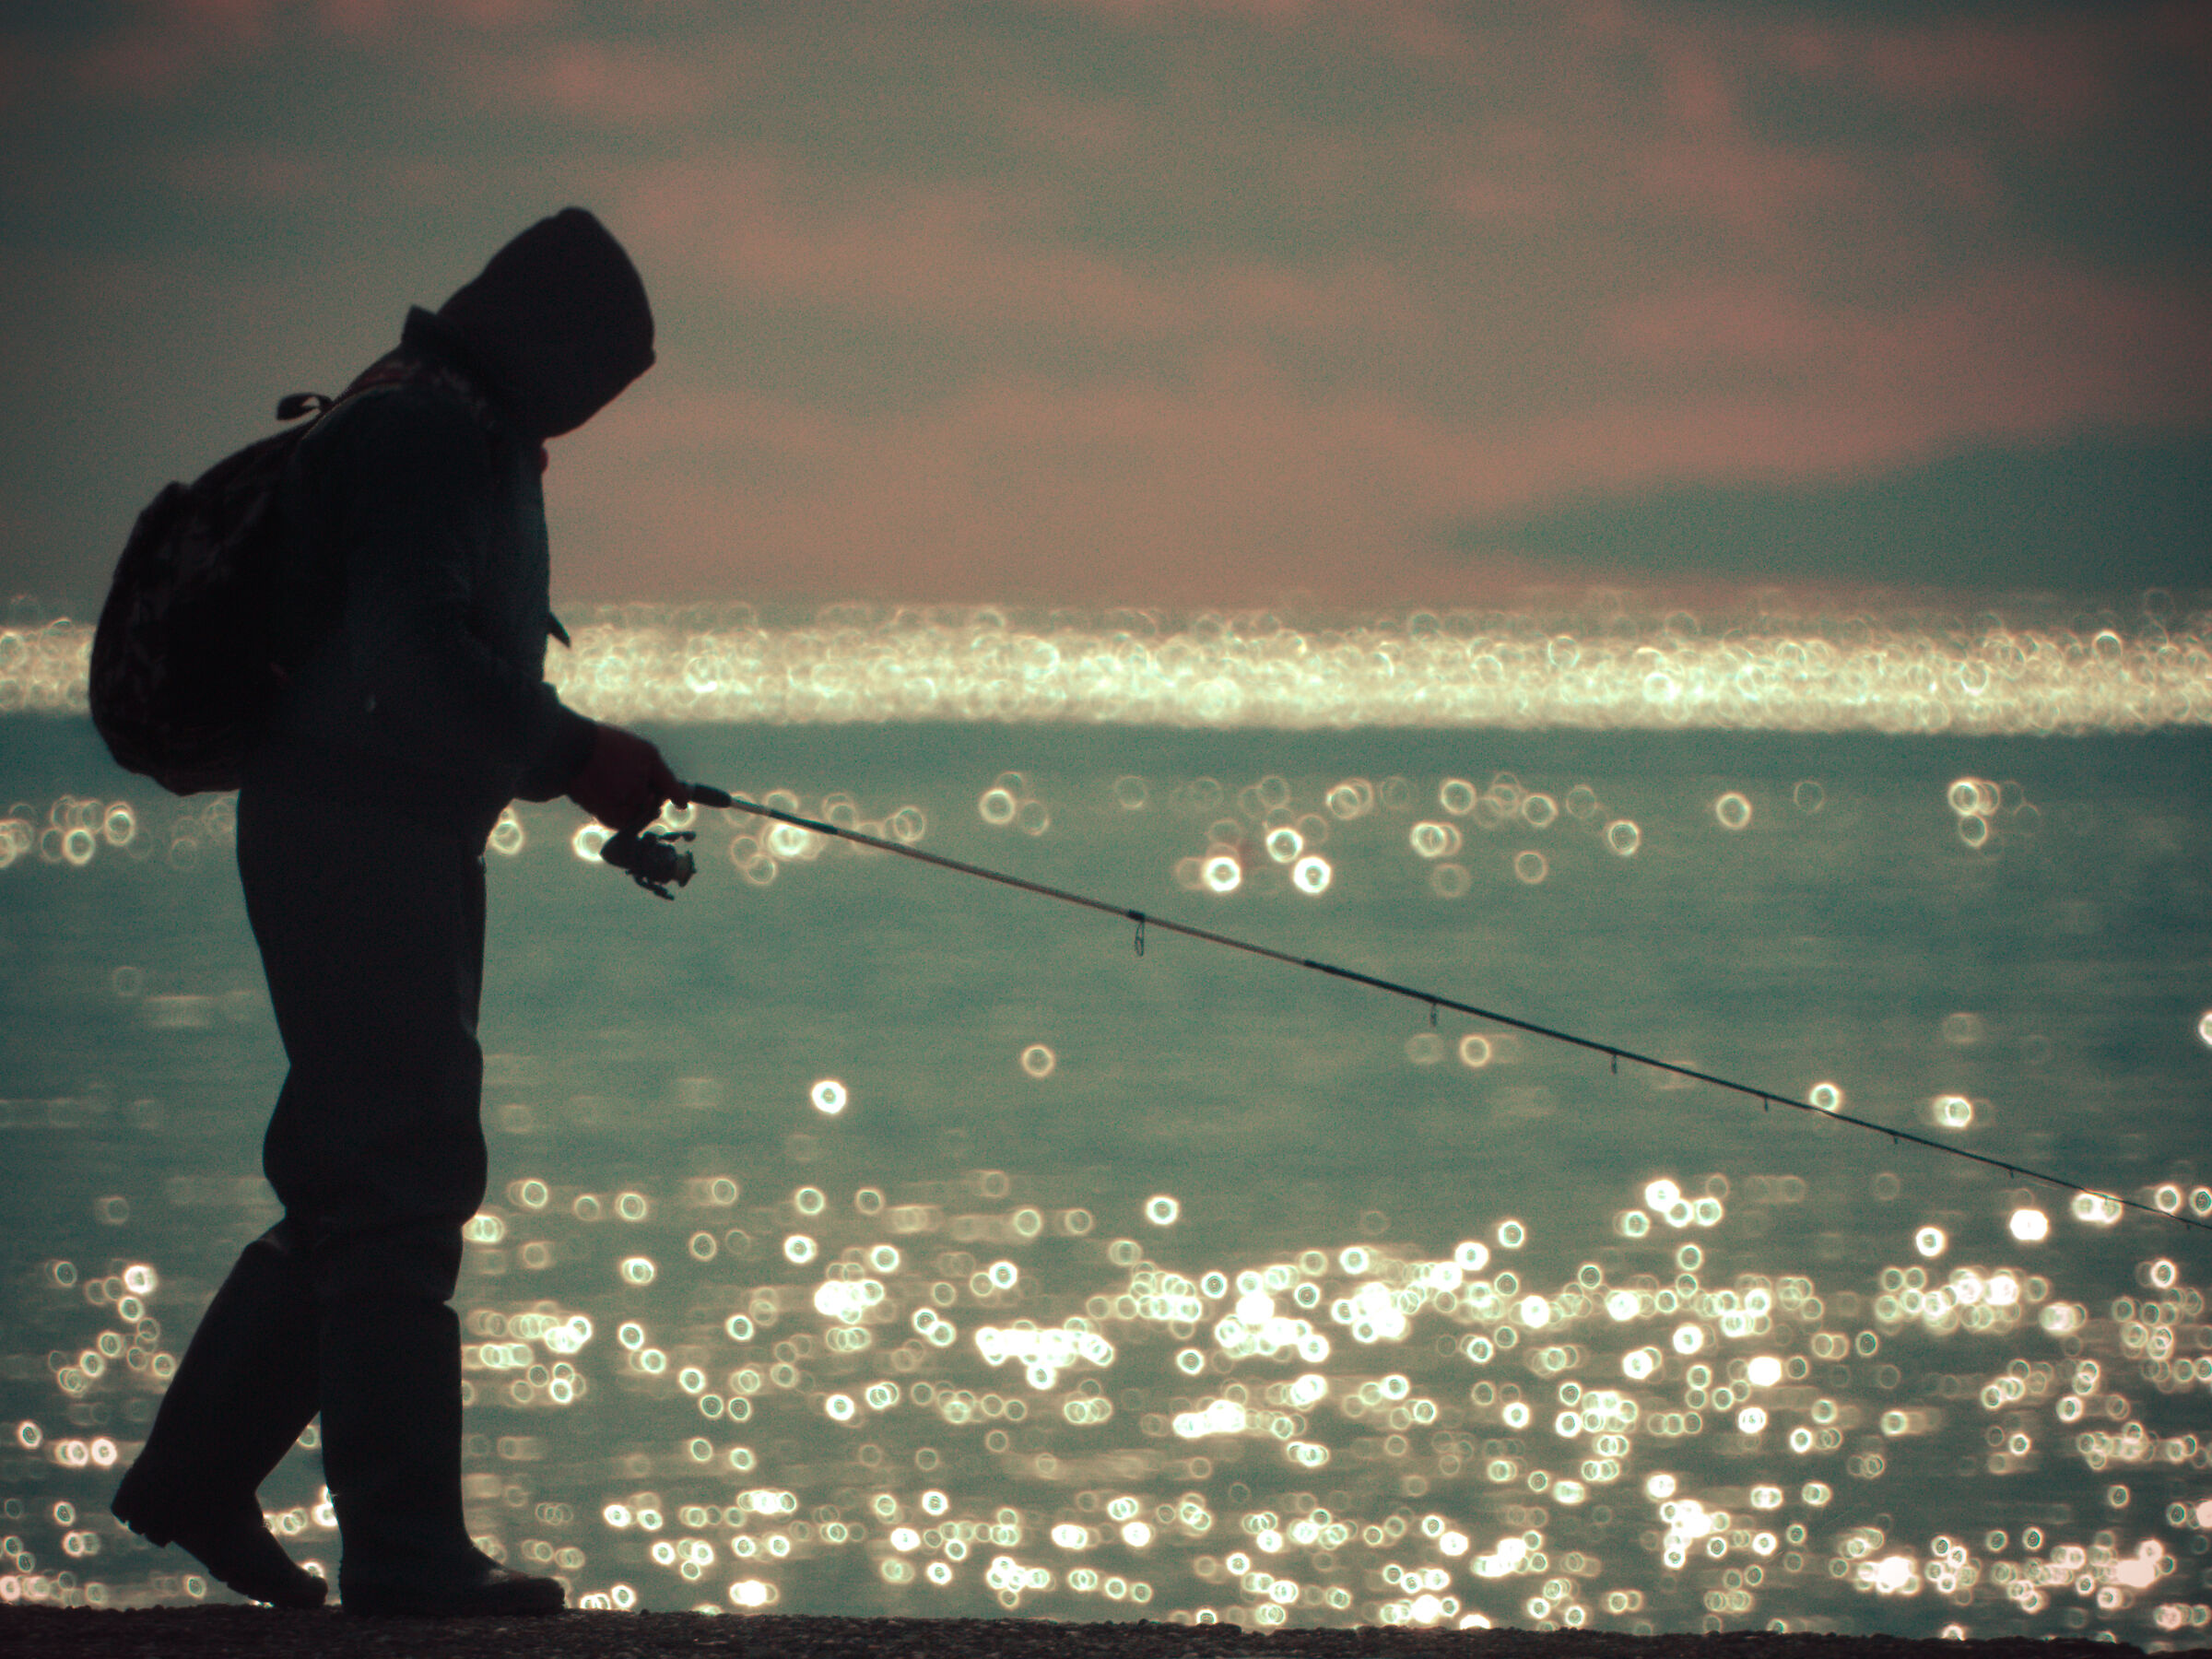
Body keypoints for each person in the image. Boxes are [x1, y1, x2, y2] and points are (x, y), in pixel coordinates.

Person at [109, 208, 685, 1617]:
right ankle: (407, 1555)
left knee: (365, 1174)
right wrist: (575, 755)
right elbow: (411, 662)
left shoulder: (433, 417)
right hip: (354, 836)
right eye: (601, 371)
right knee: (399, 1185)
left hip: (393, 837)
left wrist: (552, 762)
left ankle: (195, 1476)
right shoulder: (428, 438)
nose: (597, 406)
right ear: (554, 345)